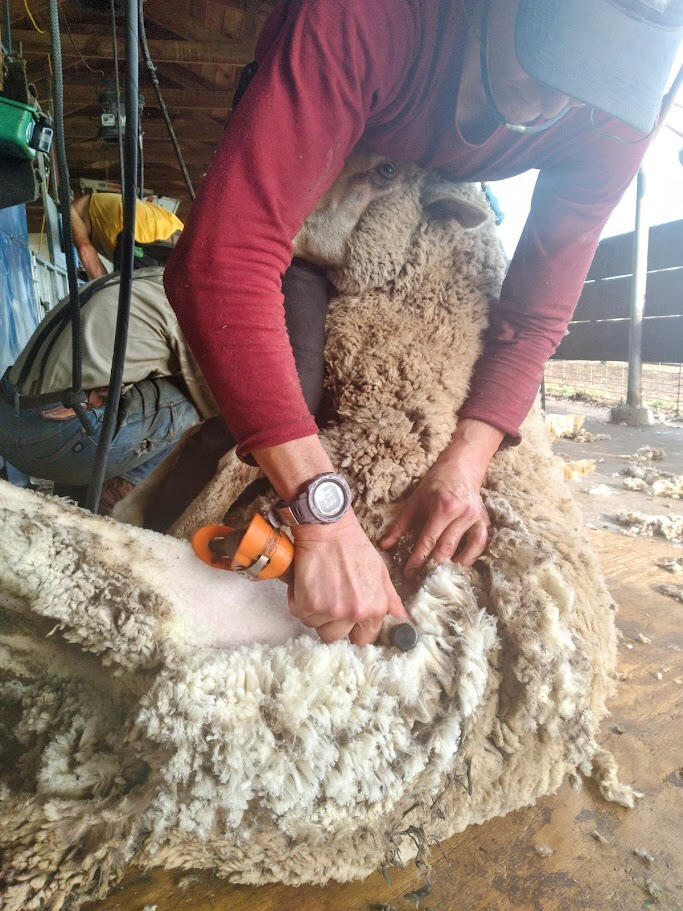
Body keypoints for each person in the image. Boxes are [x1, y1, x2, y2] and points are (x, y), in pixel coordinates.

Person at [164, 0, 683, 647]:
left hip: (431, 205)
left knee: (455, 412)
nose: (553, 105)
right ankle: (157, 519)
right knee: (284, 396)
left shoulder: (613, 109)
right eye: (546, 64)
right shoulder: (363, 17)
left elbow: (532, 314)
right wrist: (323, 515)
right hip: (325, 165)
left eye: (585, 91)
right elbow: (220, 261)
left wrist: (464, 464)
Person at [0, 267, 214, 510]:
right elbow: (217, 396)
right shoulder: (195, 302)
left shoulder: (143, 278)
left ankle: (74, 493)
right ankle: (114, 495)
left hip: (7, 422)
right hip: (52, 440)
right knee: (196, 400)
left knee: (120, 382)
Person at [70, 192, 184, 279]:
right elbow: (85, 250)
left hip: (94, 203)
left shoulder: (177, 228)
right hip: (77, 214)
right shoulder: (142, 247)